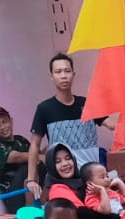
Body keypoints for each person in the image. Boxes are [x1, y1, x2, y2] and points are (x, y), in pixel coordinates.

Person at [26, 53, 113, 200]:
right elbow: (34, 144)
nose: (63, 76)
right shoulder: (44, 109)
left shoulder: (87, 104)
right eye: (58, 72)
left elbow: (111, 124)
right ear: (51, 76)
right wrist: (31, 179)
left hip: (92, 177)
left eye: (67, 71)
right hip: (64, 179)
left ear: (73, 74)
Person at [0, 107, 31, 209]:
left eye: (4, 122)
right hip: (13, 197)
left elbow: (37, 155)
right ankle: (30, 206)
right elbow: (17, 157)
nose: (2, 127)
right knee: (28, 166)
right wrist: (41, 157)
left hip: (30, 189)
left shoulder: (21, 140)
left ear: (11, 121)